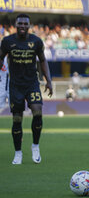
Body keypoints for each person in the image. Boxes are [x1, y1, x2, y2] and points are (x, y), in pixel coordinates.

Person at [0, 14, 53, 164]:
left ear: (29, 26)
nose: (22, 26)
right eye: (20, 23)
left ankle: (35, 146)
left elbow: (43, 60)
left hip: (32, 84)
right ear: (15, 25)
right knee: (17, 119)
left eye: (25, 24)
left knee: (37, 112)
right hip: (15, 85)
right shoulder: (7, 41)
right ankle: (18, 153)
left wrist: (48, 80)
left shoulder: (36, 41)